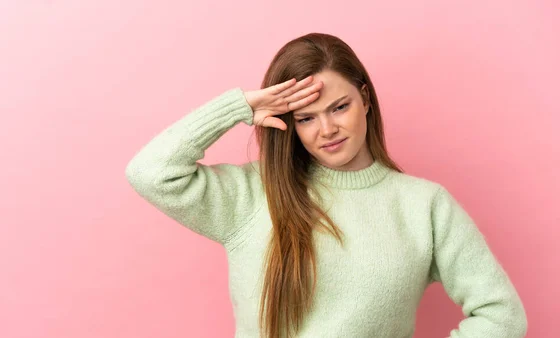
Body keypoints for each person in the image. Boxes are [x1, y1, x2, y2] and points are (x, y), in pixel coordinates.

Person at [124, 32, 527, 338]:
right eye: (306, 118)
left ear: (365, 99)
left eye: (339, 107)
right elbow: (150, 172)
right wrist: (240, 108)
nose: (327, 130)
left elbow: (502, 315)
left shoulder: (424, 206)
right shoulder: (252, 194)